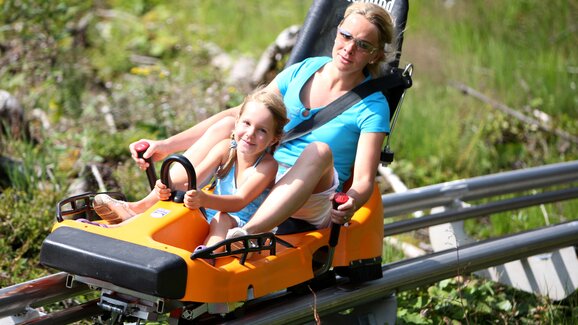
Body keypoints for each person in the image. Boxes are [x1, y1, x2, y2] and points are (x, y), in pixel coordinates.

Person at [96, 2, 396, 238]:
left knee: (318, 150)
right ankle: (143, 208)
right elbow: (241, 114)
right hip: (262, 171)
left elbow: (364, 181)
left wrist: (350, 203)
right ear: (337, 31)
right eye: (346, 36)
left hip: (309, 194)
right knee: (234, 124)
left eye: (363, 45)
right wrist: (166, 144)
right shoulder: (305, 68)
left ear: (375, 55)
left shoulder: (372, 107)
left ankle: (247, 233)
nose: (349, 49)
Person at [93, 89, 288, 249]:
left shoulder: (267, 166)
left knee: (222, 219)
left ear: (273, 139)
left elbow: (239, 202)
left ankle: (208, 256)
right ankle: (125, 229)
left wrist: (204, 199)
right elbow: (192, 178)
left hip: (241, 226)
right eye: (246, 123)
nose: (250, 134)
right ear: (236, 123)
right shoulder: (225, 148)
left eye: (262, 130)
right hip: (208, 216)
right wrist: (167, 189)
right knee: (176, 204)